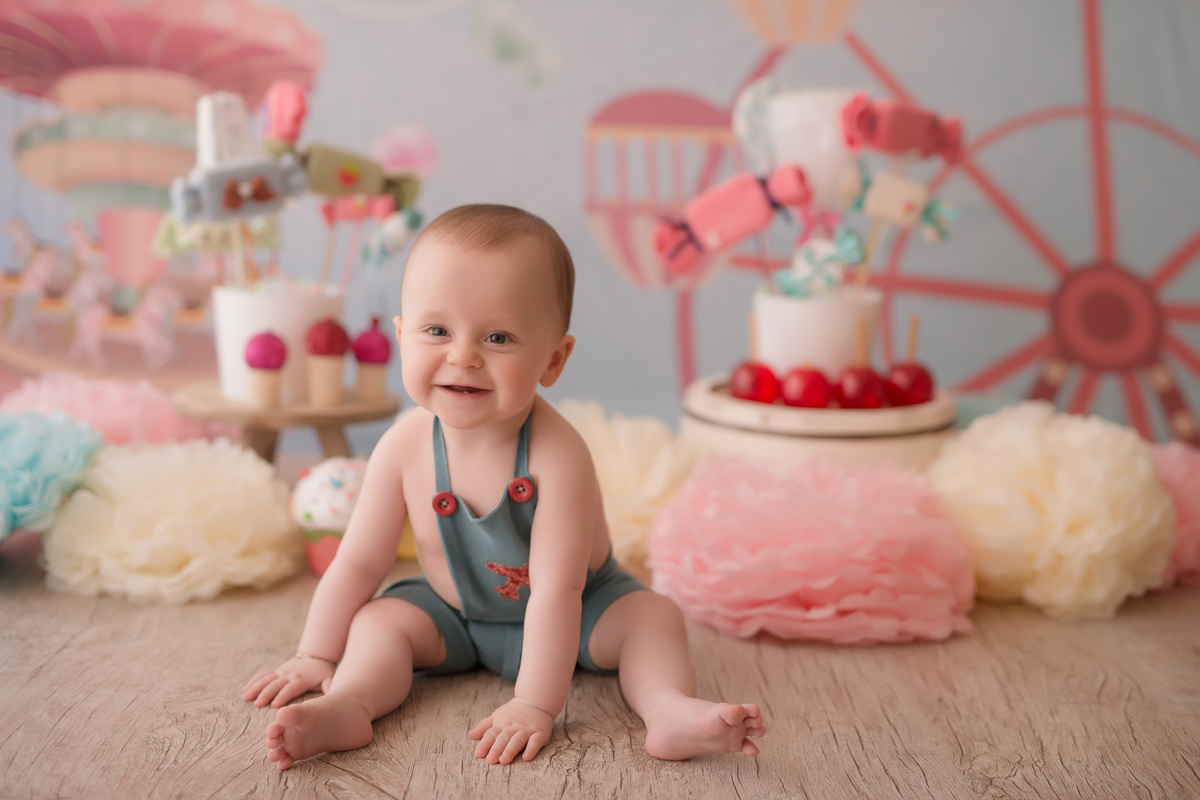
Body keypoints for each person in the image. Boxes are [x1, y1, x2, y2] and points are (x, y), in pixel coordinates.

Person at [242, 204, 766, 769]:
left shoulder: (558, 455)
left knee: (653, 617)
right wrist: (316, 653)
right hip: (455, 616)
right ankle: (347, 702)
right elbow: (359, 564)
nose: (462, 356)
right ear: (401, 336)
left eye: (497, 337)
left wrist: (534, 705)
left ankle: (667, 709)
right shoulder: (403, 446)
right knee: (379, 621)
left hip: (582, 611)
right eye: (436, 330)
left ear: (553, 359)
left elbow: (557, 590)